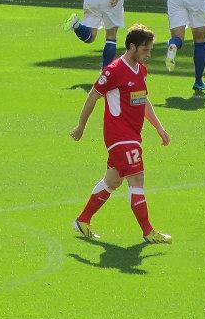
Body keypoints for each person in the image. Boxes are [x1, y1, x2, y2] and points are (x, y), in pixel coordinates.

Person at [69, 23, 171, 244]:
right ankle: (148, 231)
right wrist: (81, 126)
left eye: (150, 49)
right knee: (137, 178)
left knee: (112, 181)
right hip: (119, 136)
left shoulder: (141, 70)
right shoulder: (114, 70)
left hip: (132, 136)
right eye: (145, 49)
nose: (148, 54)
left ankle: (83, 220)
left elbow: (143, 100)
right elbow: (93, 96)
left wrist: (159, 127)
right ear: (132, 47)